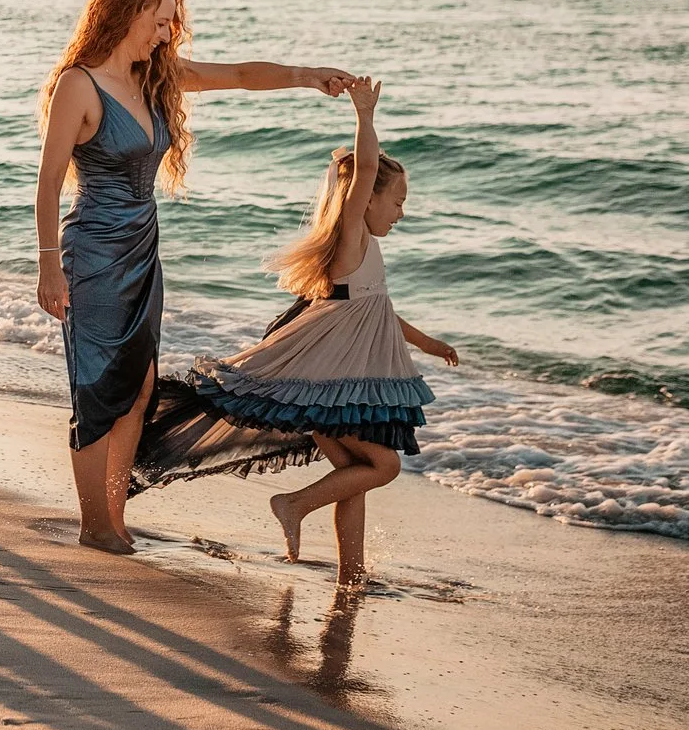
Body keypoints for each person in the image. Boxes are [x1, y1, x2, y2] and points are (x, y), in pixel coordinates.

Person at [32, 0, 355, 554]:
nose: (166, 31)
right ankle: (92, 525)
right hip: (93, 255)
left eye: (170, 21)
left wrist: (309, 76)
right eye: (159, 19)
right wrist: (49, 264)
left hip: (143, 250)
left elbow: (238, 74)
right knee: (97, 385)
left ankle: (113, 514)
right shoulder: (78, 85)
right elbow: (50, 180)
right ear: (126, 11)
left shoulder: (155, 78)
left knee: (140, 385)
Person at [132, 76, 458, 586]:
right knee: (384, 465)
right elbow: (366, 166)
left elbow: (378, 313)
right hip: (326, 388)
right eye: (396, 201)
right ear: (363, 200)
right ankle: (292, 504)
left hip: (338, 389)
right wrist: (365, 116)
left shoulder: (367, 253)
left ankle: (352, 575)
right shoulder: (351, 239)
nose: (401, 212)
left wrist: (428, 344)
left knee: (354, 478)